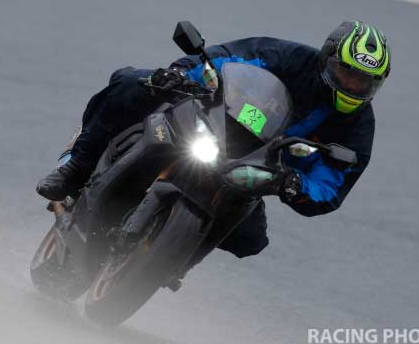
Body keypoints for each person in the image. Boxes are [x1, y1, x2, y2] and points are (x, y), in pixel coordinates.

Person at [37, 20, 391, 259]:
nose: (353, 86)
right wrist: (179, 74)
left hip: (256, 171)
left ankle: (167, 263)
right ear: (327, 59)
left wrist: (296, 184)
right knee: (130, 82)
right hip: (219, 126)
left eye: (364, 82)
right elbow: (226, 59)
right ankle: (76, 166)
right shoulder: (288, 57)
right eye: (347, 73)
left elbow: (331, 186)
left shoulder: (358, 127)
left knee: (250, 241)